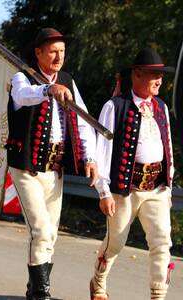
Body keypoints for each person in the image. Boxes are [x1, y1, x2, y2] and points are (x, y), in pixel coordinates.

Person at [6, 28, 98, 299]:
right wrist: (48, 89)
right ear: (38, 53)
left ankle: (34, 286)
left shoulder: (68, 80)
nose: (59, 57)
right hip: (26, 168)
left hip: (55, 169)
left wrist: (88, 157)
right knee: (41, 230)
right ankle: (42, 293)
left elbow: (83, 119)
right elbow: (22, 97)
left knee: (51, 235)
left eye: (62, 52)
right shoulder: (22, 77)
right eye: (53, 51)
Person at [90, 48, 175, 300]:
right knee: (115, 242)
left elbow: (167, 145)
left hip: (156, 188)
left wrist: (168, 184)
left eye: (161, 75)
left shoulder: (161, 106)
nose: (159, 80)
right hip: (123, 189)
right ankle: (99, 282)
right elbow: (101, 151)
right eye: (153, 75)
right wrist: (104, 192)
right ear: (136, 75)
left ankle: (158, 295)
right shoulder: (115, 106)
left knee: (162, 243)